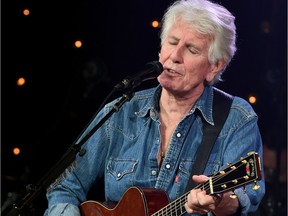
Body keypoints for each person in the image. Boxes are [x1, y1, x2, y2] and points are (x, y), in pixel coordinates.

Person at [44, 0, 265, 215]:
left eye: (191, 49)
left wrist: (220, 201)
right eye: (172, 42)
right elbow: (64, 187)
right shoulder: (121, 111)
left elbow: (243, 199)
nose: (174, 56)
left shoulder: (237, 118)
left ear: (215, 66)